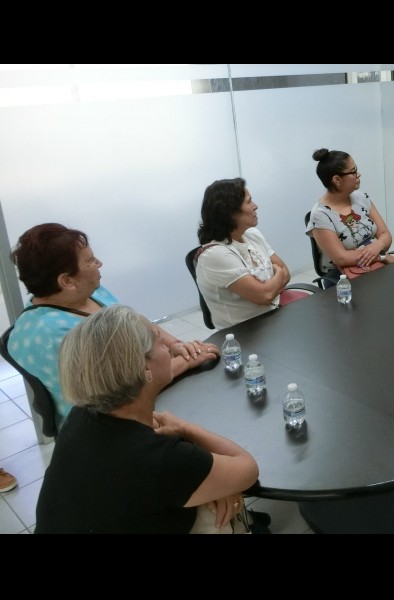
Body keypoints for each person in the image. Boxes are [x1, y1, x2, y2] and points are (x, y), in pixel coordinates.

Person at [34, 305, 258, 533]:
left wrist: (206, 480)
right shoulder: (159, 457)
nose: (170, 350)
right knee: (219, 511)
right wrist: (185, 428)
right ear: (143, 369)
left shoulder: (82, 413)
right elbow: (248, 470)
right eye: (161, 343)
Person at [8, 223, 219, 430]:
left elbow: (137, 322)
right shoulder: (56, 335)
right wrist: (186, 361)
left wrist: (174, 345)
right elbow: (124, 392)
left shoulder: (88, 292)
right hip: (106, 423)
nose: (99, 263)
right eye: (90, 261)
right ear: (67, 281)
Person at [196, 177, 301, 328]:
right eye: (249, 201)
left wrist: (271, 286)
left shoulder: (252, 235)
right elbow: (265, 295)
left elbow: (286, 273)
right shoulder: (215, 255)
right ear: (230, 212)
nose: (255, 206)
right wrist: (277, 273)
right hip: (246, 331)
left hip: (274, 316)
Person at [306, 148, 394, 288]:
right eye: (353, 171)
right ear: (337, 180)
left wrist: (377, 246)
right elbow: (341, 258)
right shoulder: (320, 215)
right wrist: (382, 257)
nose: (358, 174)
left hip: (374, 267)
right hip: (343, 279)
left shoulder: (361, 197)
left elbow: (385, 234)